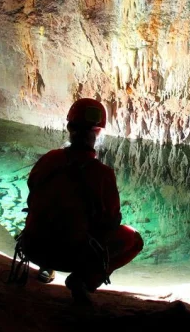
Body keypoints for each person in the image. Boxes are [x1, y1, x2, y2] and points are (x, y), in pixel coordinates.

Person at [22, 98, 143, 304]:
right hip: (72, 256)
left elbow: (32, 196)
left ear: (69, 127)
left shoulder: (48, 159)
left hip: (32, 247)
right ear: (98, 133)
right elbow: (111, 222)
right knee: (133, 239)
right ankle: (83, 280)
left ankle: (46, 268)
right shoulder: (102, 174)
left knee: (51, 213)